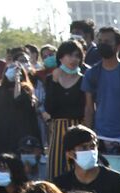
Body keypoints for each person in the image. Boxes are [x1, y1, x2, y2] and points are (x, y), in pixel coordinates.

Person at [82, 30, 120, 158]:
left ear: (118, 46)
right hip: (99, 137)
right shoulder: (92, 73)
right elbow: (89, 109)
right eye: (100, 41)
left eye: (107, 42)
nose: (102, 44)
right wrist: (87, 142)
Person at [39, 40, 87, 181]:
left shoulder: (84, 80)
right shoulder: (51, 79)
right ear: (61, 57)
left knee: (77, 168)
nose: (74, 59)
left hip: (78, 128)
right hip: (57, 130)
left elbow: (85, 107)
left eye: (77, 56)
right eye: (70, 55)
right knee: (56, 170)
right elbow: (49, 108)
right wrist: (54, 81)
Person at [0, 53, 39, 163]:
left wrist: (17, 80)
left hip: (21, 133)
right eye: (11, 69)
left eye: (16, 70)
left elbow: (18, 99)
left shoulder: (26, 91)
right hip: (1, 133)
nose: (13, 71)